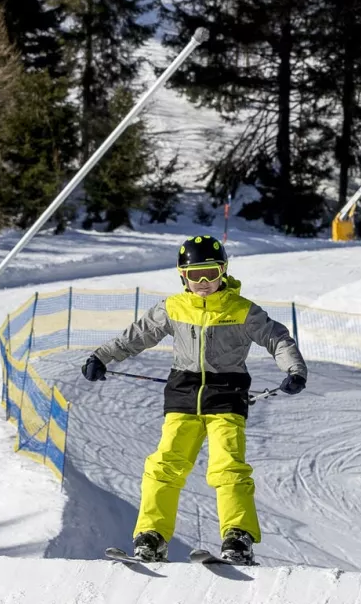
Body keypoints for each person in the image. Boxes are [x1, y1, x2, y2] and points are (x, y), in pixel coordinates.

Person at [82, 235, 307, 564]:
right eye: (195, 274)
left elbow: (277, 338)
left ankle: (237, 538)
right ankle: (152, 536)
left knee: (228, 467)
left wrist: (294, 369)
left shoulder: (242, 310)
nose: (203, 283)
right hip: (183, 396)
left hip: (227, 397)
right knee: (163, 465)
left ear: (224, 271)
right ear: (182, 275)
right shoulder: (173, 307)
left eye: (211, 273)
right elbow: (137, 335)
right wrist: (101, 357)